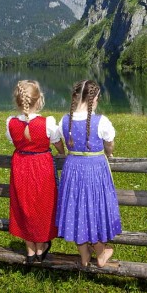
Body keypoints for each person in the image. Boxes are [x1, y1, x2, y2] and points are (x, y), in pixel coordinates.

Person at [54, 79, 122, 268]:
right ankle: (100, 253)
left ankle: (84, 256)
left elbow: (63, 140)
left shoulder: (64, 120)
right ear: (95, 99)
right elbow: (109, 143)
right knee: (94, 209)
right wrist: (108, 152)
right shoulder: (101, 121)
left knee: (78, 209)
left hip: (73, 168)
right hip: (95, 169)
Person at [6, 80, 65, 264]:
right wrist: (62, 152)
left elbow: (13, 140)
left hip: (21, 167)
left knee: (23, 205)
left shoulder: (11, 122)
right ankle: (41, 246)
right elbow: (57, 143)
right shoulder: (47, 123)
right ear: (39, 100)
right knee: (43, 205)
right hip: (42, 168)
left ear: (17, 101)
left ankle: (30, 249)